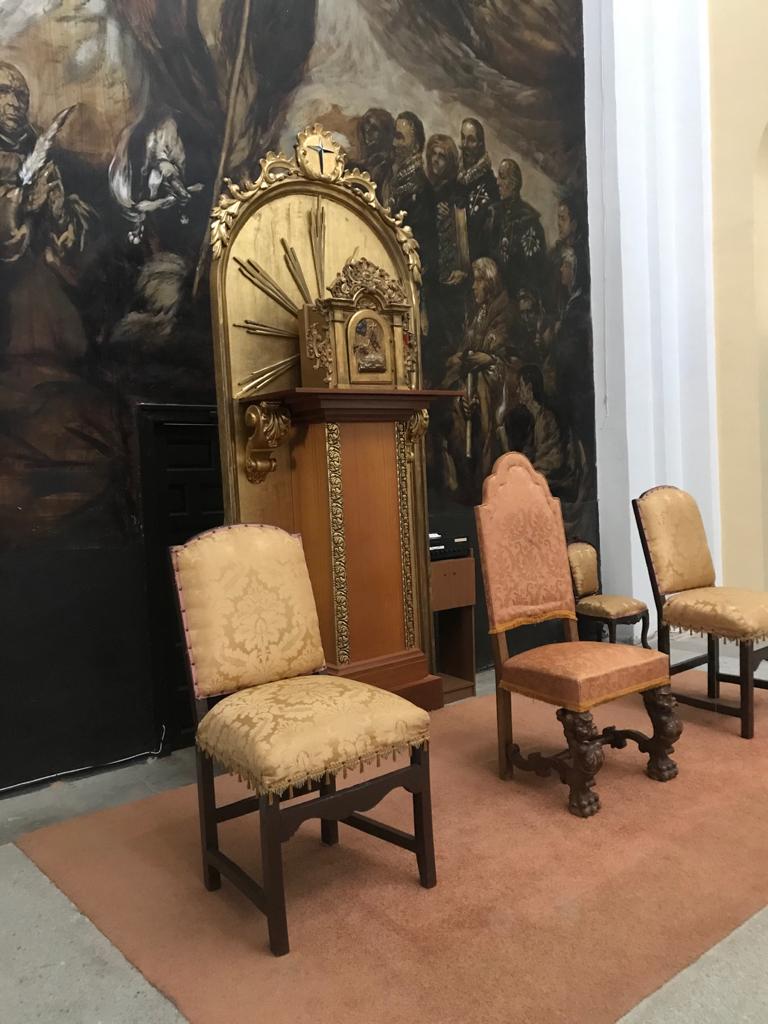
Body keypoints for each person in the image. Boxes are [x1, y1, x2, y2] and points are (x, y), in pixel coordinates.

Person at [0, 61, 123, 541]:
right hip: (9, 304)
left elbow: (77, 236)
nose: (14, 103)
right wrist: (16, 206)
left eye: (20, 95)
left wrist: (57, 211)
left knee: (72, 398)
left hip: (49, 297)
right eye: (4, 93)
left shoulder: (48, 155)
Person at [440, 257, 512, 501]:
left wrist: (486, 358)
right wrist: (463, 358)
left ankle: (487, 480)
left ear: (488, 283)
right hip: (471, 375)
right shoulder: (478, 313)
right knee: (456, 404)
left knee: (481, 392)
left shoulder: (502, 311)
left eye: (478, 281)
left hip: (497, 378)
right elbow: (470, 349)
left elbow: (499, 350)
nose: (473, 287)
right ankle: (464, 479)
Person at [422, 133, 470, 386]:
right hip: (432, 277)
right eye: (433, 154)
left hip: (452, 280)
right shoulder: (427, 190)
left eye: (442, 156)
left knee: (449, 337)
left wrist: (463, 268)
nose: (436, 160)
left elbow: (463, 233)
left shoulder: (457, 192)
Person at [384, 110, 436, 277]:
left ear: (416, 146)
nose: (394, 143)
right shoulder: (390, 177)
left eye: (400, 138)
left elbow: (422, 246)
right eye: (395, 136)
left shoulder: (421, 189)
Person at [490, 158, 547, 298]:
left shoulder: (529, 220)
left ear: (514, 184)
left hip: (517, 295)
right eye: (498, 177)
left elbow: (534, 269)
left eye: (503, 178)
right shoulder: (494, 213)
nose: (497, 182)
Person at [456, 117, 498, 261]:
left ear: (480, 144)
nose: (464, 145)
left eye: (471, 140)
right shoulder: (455, 174)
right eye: (463, 138)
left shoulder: (491, 185)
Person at [517, 364, 563, 477]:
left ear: (529, 388)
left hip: (552, 479)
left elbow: (548, 461)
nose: (517, 391)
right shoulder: (532, 419)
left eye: (520, 386)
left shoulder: (546, 419)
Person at [356, 108, 395, 197]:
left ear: (385, 135)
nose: (368, 131)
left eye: (374, 128)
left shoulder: (386, 169)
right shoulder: (357, 165)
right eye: (367, 124)